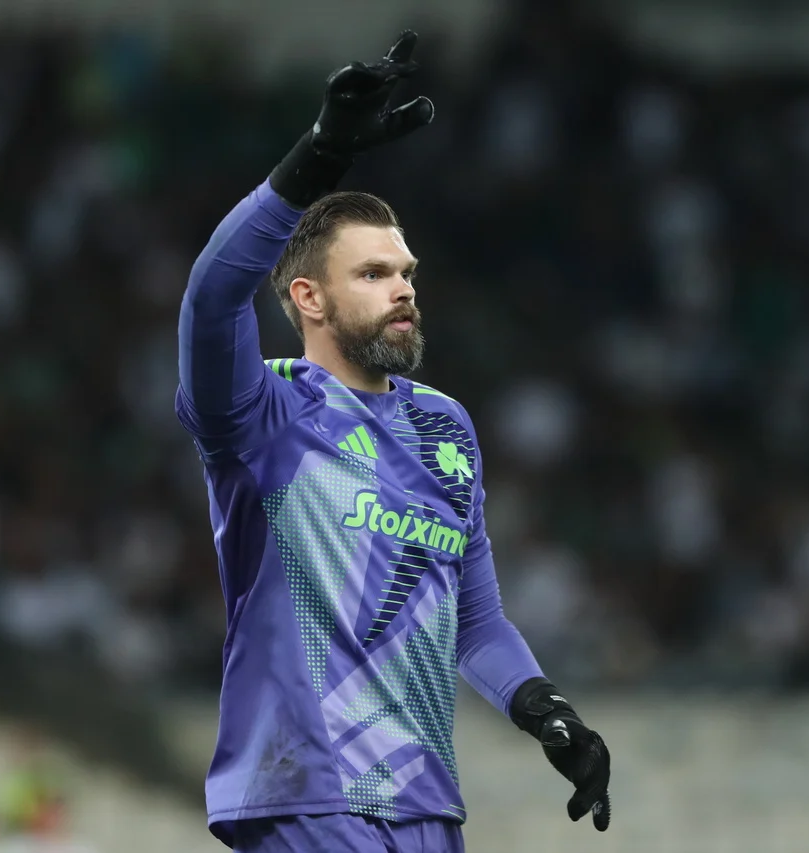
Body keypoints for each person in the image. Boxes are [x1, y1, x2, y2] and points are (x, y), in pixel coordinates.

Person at [175, 31, 611, 853]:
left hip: (425, 802)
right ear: (309, 298)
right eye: (373, 274)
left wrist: (544, 708)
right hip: (306, 791)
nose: (403, 288)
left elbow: (475, 618)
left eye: (406, 271)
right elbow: (211, 295)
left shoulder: (446, 426)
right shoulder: (262, 412)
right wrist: (318, 156)